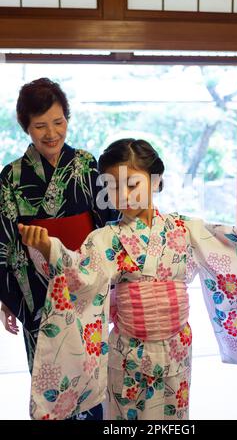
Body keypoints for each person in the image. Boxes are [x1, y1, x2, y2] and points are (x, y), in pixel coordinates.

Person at [19, 138, 237, 420]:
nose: (124, 195)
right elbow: (81, 275)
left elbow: (233, 243)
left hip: (176, 347)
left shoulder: (183, 228)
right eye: (113, 187)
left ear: (155, 181)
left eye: (132, 185)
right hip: (128, 353)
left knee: (173, 418)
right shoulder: (106, 239)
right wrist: (50, 248)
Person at [0, 78, 117, 420]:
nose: (51, 133)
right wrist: (7, 298)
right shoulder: (10, 177)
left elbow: (107, 223)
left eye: (58, 122)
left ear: (67, 118)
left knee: (91, 376)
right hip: (38, 292)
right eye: (40, 126)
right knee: (50, 380)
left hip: (85, 287)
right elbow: (4, 244)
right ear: (26, 127)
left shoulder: (86, 164)